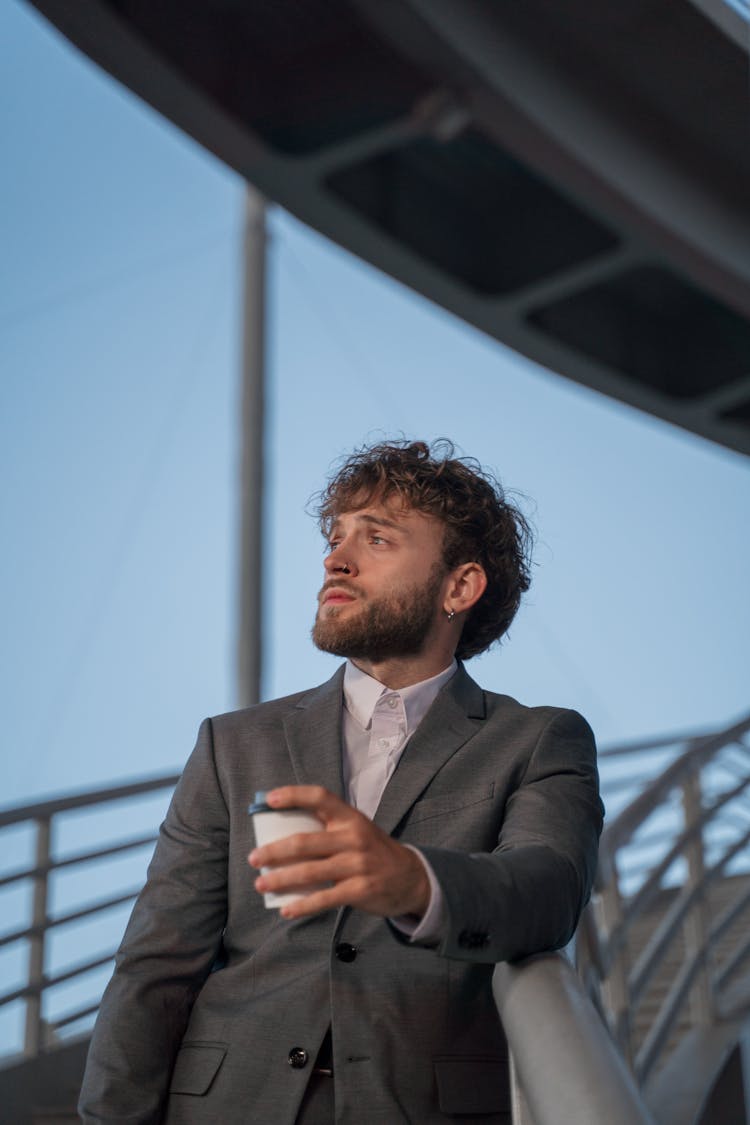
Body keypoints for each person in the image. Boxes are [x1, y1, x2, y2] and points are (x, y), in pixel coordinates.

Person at [79, 438, 603, 1124]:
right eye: (335, 535)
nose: (336, 557)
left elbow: (548, 887)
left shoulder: (539, 739)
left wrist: (414, 880)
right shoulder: (232, 744)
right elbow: (154, 970)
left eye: (377, 537)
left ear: (460, 586)